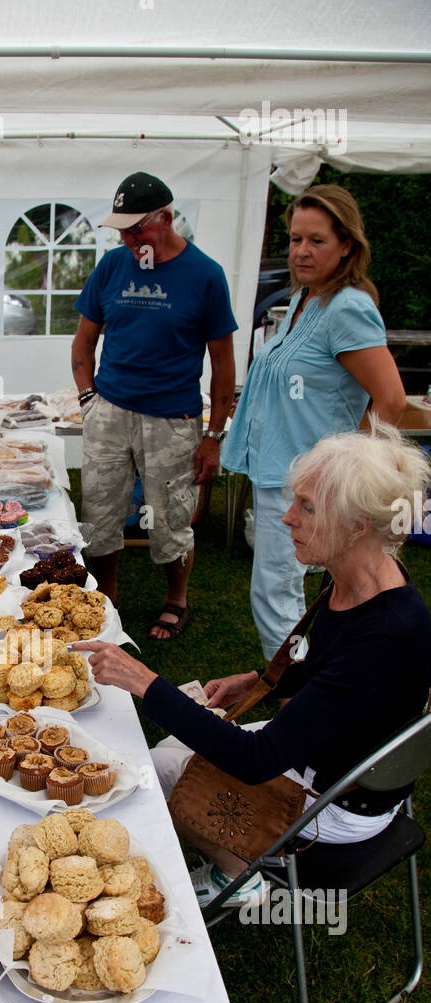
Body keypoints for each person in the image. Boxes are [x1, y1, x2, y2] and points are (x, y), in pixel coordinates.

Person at [75, 423, 431, 908]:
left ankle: (239, 877)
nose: (287, 518)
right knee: (180, 742)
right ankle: (236, 863)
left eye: (307, 506)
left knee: (157, 767)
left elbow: (255, 759)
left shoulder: (387, 634)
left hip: (337, 803)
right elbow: (339, 675)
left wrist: (144, 682)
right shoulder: (365, 581)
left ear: (357, 525)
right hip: (336, 763)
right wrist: (262, 679)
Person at [222, 184, 406, 662]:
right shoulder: (307, 297)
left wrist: (354, 472)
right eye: (295, 239)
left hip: (310, 482)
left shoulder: (347, 306)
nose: (301, 251)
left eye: (317, 240)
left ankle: (295, 702)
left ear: (347, 245)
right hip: (281, 471)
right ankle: (307, 685)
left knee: (276, 595)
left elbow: (390, 398)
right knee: (294, 594)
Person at [71, 171, 237, 638]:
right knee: (99, 513)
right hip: (110, 411)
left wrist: (213, 435)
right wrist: (89, 399)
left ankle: (175, 598)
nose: (127, 238)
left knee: (171, 518)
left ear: (166, 217)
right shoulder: (111, 266)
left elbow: (224, 364)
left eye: (136, 228)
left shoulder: (205, 275)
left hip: (173, 417)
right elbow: (83, 341)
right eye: (121, 229)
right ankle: (107, 594)